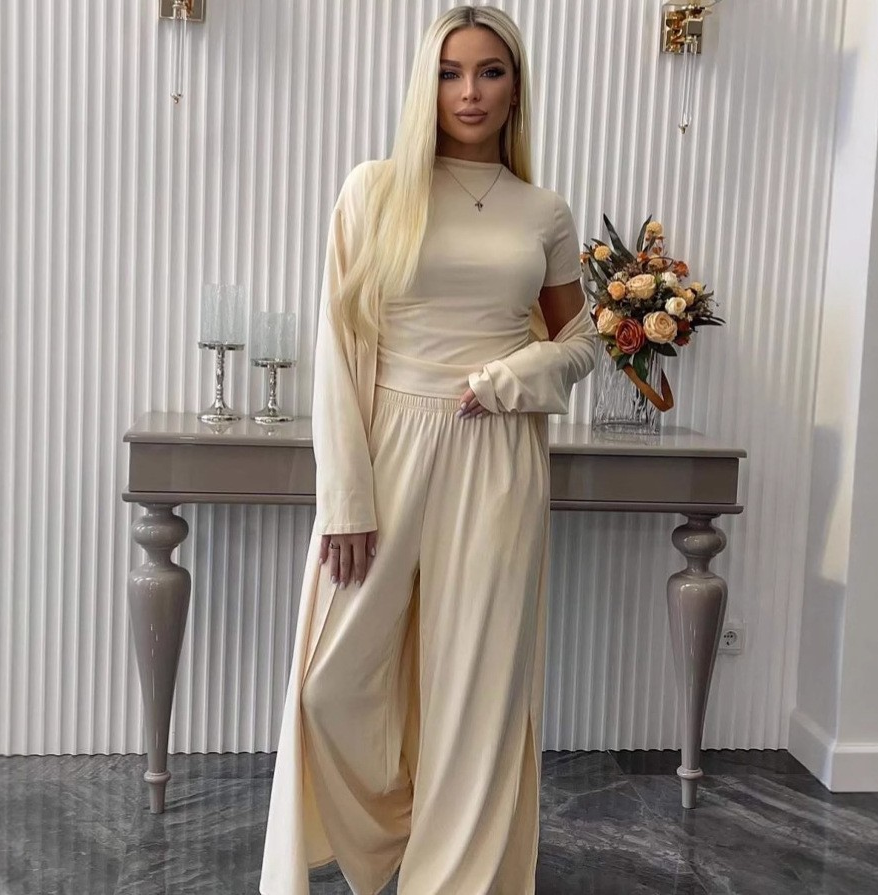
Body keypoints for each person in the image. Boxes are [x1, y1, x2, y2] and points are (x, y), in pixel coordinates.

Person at [260, 5, 599, 894]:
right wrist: (346, 497)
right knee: (330, 682)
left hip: (497, 457)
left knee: (477, 690)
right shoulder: (373, 189)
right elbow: (338, 346)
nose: (469, 92)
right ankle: (389, 837)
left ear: (515, 86)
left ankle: (457, 879)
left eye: (490, 71)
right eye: (450, 72)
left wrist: (513, 376)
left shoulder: (543, 211)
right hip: (388, 446)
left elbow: (581, 342)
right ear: (426, 85)